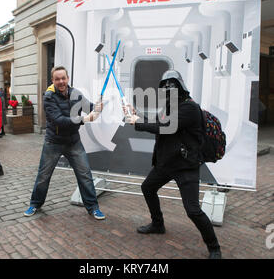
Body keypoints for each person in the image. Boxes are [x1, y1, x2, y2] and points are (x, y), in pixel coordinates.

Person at [125, 70, 222, 259]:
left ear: (180, 86)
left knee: (193, 210)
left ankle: (214, 247)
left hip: (186, 166)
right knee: (148, 188)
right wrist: (138, 116)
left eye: (172, 86)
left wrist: (138, 123)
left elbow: (166, 127)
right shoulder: (169, 106)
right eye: (165, 87)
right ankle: (158, 224)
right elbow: (160, 123)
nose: (169, 90)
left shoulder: (189, 108)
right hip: (167, 163)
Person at [24, 66, 106, 220]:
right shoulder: (49, 97)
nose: (61, 81)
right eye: (57, 79)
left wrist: (98, 108)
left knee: (85, 175)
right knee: (43, 175)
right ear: (53, 81)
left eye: (63, 78)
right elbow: (59, 121)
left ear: (68, 79)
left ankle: (93, 208)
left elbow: (89, 108)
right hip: (53, 142)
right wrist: (83, 119)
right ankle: (35, 204)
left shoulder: (76, 93)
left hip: (73, 141)